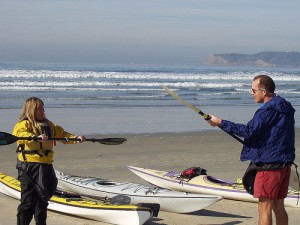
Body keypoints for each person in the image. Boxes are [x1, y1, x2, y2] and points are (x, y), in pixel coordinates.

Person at [207, 75, 295, 225]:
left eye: (253, 90)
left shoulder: (267, 110)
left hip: (269, 165)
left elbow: (248, 131)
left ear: (264, 91)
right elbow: (270, 133)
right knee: (278, 206)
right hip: (284, 164)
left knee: (264, 207)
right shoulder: (285, 106)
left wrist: (220, 122)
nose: (251, 93)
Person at [13, 97, 86, 225]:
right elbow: (21, 135)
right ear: (31, 110)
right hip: (29, 167)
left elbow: (63, 135)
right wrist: (35, 137)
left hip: (45, 166)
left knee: (43, 200)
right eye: (39, 108)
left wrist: (76, 138)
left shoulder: (49, 125)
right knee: (29, 201)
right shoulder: (23, 125)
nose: (43, 110)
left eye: (43, 107)